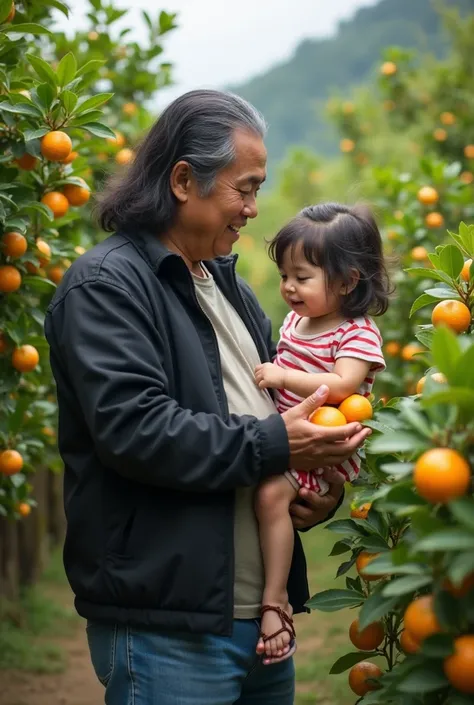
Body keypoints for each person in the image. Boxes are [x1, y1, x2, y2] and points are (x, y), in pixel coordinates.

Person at [44, 90, 371, 705]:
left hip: (259, 622)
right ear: (184, 180)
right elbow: (136, 431)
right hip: (166, 626)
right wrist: (279, 443)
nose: (253, 209)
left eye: (257, 189)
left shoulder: (233, 291)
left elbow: (268, 420)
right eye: (243, 189)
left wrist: (318, 486)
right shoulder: (106, 286)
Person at [253, 202, 390, 659]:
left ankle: (275, 600)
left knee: (271, 495)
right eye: (285, 275)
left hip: (321, 446)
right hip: (289, 437)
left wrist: (283, 378)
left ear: (348, 281)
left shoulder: (357, 332)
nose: (289, 287)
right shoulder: (298, 320)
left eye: (302, 277)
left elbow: (344, 384)